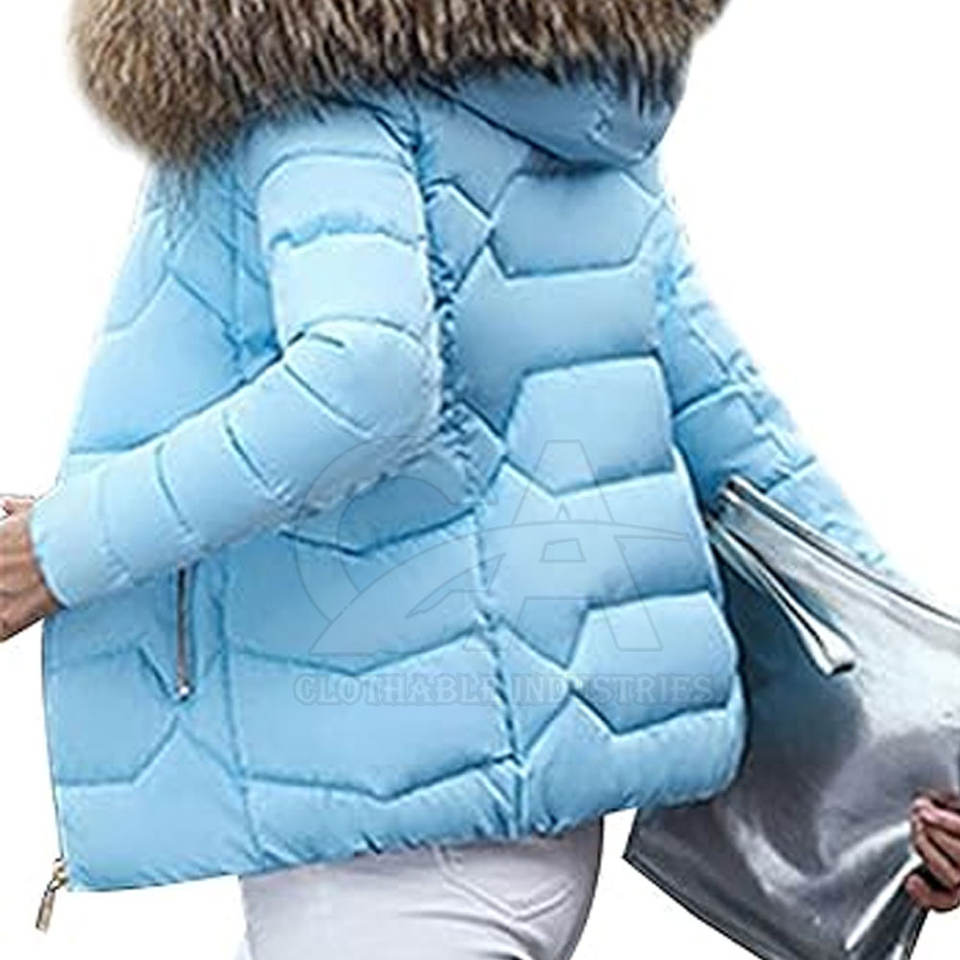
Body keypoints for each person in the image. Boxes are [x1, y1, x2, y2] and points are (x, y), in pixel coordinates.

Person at [1, 1, 959, 957]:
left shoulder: (315, 86)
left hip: (389, 819)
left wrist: (57, 551)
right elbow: (739, 437)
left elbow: (364, 381)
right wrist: (931, 731)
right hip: (525, 819)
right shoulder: (570, 105)